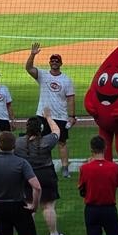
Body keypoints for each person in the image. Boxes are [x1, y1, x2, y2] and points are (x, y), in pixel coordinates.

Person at [25, 42, 76, 178]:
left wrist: (72, 116)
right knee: (38, 140)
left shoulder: (66, 80)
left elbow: (71, 99)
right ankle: (40, 165)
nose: (54, 63)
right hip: (42, 115)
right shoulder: (43, 75)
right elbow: (29, 68)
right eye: (52, 60)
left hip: (60, 116)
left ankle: (65, 168)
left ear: (61, 63)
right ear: (49, 63)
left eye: (57, 61)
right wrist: (32, 54)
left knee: (62, 142)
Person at [14, 108, 64, 235]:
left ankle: (26, 233)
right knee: (48, 206)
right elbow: (57, 131)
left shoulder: (18, 143)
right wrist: (48, 117)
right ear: (40, 129)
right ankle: (53, 233)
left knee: (29, 205)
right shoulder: (46, 141)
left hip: (27, 176)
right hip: (46, 175)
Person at [79, 135, 118, 235]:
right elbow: (117, 185)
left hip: (91, 210)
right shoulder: (115, 167)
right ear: (105, 148)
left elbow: (82, 191)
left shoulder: (84, 168)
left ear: (91, 149)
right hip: (109, 210)